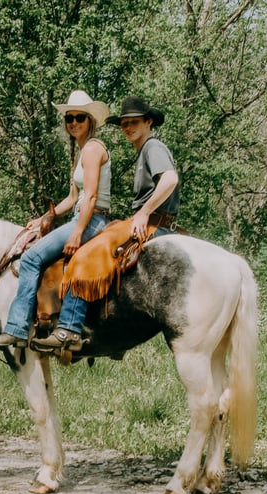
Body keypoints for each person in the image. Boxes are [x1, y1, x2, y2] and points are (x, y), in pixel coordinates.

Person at [31, 95, 179, 352]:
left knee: (88, 254)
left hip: (154, 223)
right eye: (124, 124)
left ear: (149, 122)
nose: (128, 128)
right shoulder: (144, 149)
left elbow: (170, 180)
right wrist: (50, 215)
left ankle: (68, 327)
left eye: (134, 122)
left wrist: (144, 213)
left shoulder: (153, 147)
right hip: (152, 220)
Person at [0, 90, 112, 349]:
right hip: (86, 216)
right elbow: (73, 197)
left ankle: (18, 328)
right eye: (69, 118)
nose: (73, 122)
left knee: (31, 258)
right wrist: (46, 216)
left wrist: (77, 232)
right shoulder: (82, 151)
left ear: (90, 120)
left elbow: (91, 197)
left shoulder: (92, 149)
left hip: (92, 219)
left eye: (79, 117)